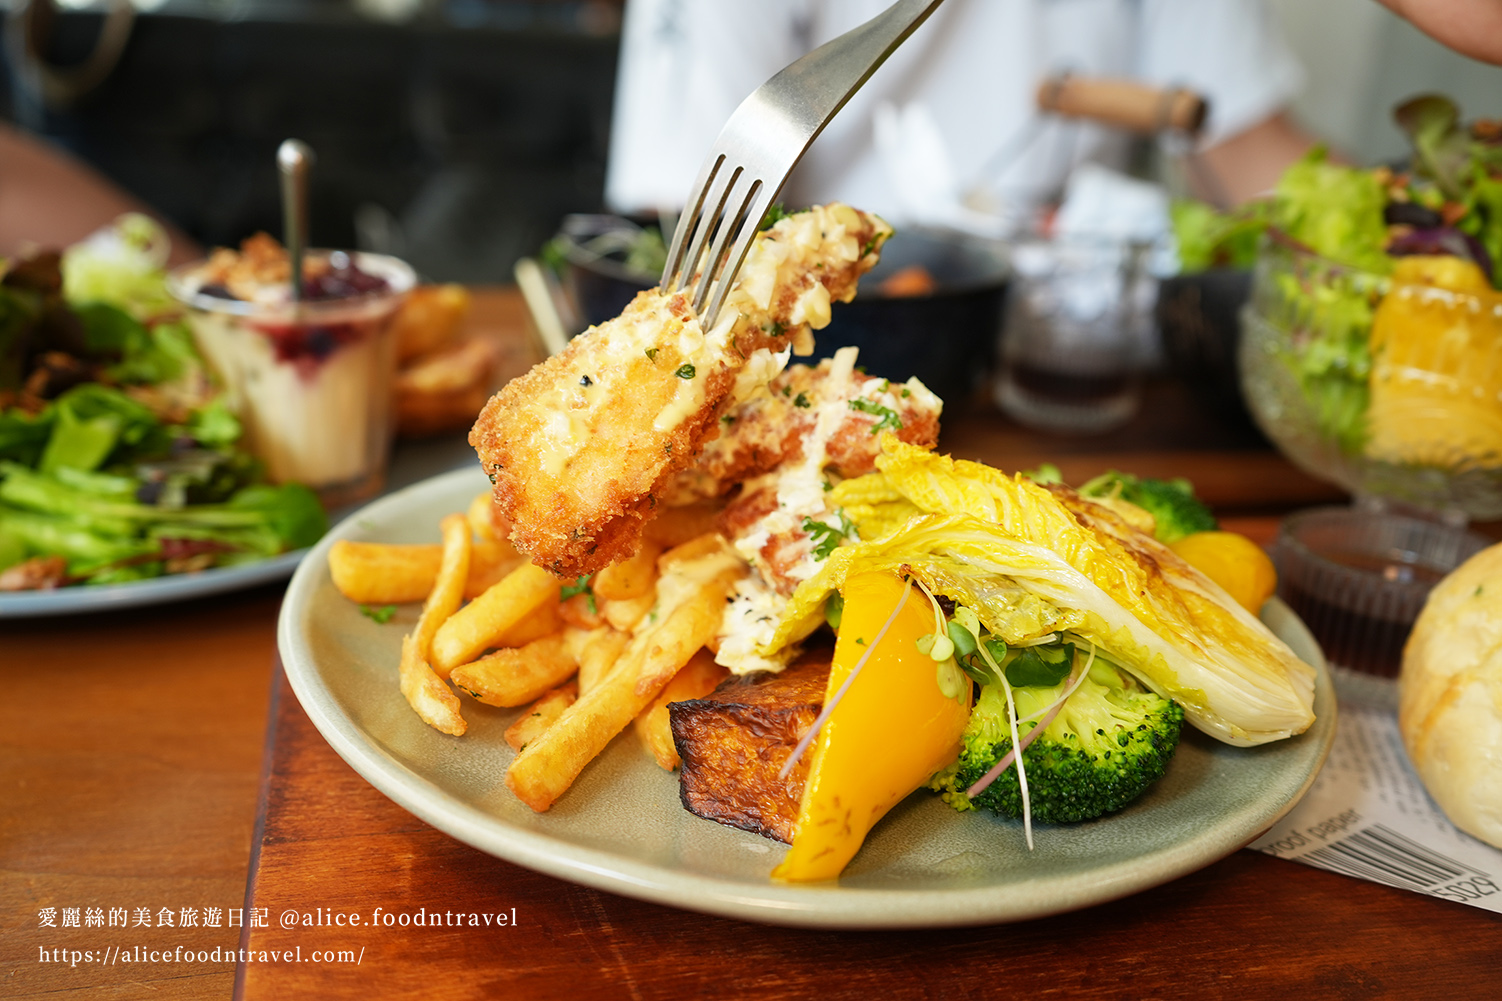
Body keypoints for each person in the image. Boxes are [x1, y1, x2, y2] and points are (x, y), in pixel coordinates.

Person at [606, 0, 1316, 227]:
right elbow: (697, 215)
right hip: (834, 350)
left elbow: (1256, 157)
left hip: (1074, 370)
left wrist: (1409, 238)